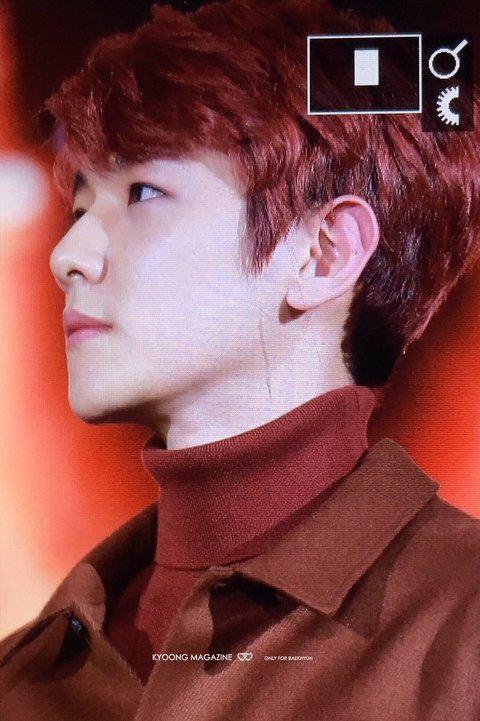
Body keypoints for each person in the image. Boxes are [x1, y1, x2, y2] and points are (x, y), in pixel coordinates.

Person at [1, 0, 480, 718]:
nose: (67, 255)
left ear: (324, 254)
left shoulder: (460, 632)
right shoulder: (25, 674)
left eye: (143, 193)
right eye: (79, 207)